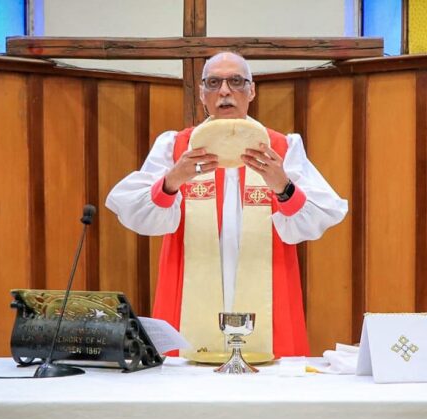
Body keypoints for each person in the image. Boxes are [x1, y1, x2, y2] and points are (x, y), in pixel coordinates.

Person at [106, 52, 347, 357]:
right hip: (191, 288)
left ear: (252, 91)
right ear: (201, 94)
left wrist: (283, 187)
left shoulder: (281, 147)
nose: (224, 91)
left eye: (236, 81)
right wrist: (173, 179)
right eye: (213, 83)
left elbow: (321, 215)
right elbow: (136, 212)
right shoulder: (176, 147)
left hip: (267, 286)